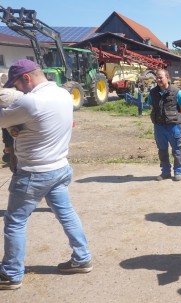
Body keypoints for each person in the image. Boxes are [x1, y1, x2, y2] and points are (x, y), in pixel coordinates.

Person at [0, 59, 93, 290]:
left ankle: (11, 274)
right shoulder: (63, 94)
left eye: (17, 84)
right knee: (66, 214)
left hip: (34, 172)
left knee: (15, 222)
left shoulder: (31, 102)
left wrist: (12, 122)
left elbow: (4, 119)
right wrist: (17, 129)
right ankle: (82, 258)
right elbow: (39, 125)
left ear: (27, 78)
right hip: (60, 167)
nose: (17, 90)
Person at [148, 69, 181, 181]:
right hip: (159, 127)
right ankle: (165, 172)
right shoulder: (153, 92)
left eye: (161, 77)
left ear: (167, 77)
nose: (159, 79)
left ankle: (178, 172)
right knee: (162, 150)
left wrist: (171, 117)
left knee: (176, 150)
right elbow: (151, 106)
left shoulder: (177, 92)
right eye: (157, 77)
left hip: (173, 126)